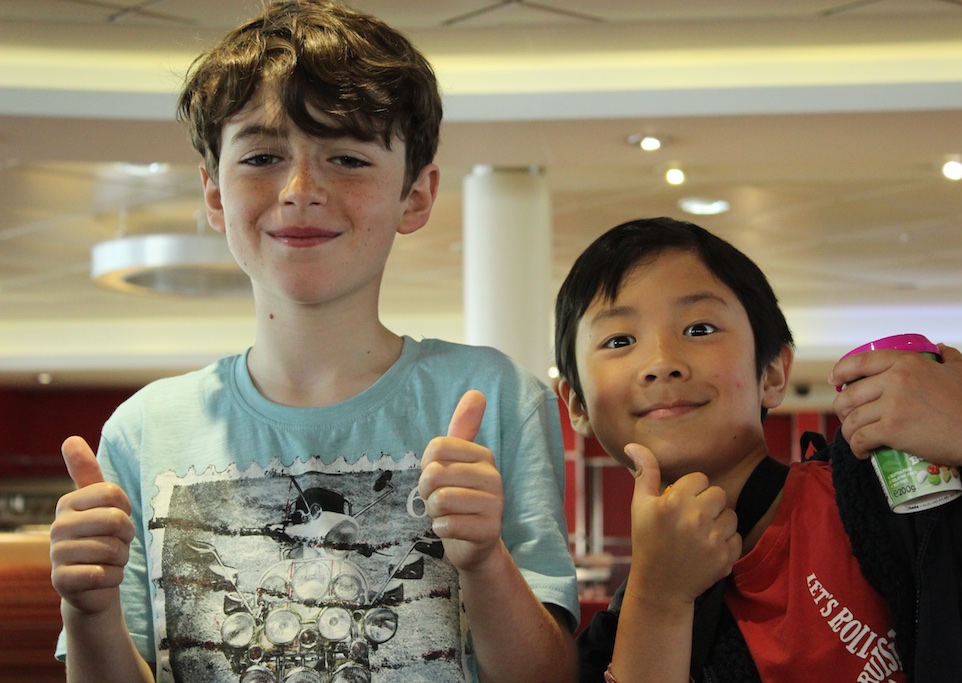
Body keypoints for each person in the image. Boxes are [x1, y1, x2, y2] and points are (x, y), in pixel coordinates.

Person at [48, 2, 578, 681]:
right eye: (262, 157)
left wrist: (483, 561)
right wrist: (88, 611)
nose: (300, 190)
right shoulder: (144, 430)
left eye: (348, 158)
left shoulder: (494, 398)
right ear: (214, 194)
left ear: (415, 195)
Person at [555, 216, 962, 682]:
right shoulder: (618, 638)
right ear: (577, 404)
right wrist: (659, 601)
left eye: (699, 329)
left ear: (773, 374)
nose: (662, 363)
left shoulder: (897, 487)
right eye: (619, 340)